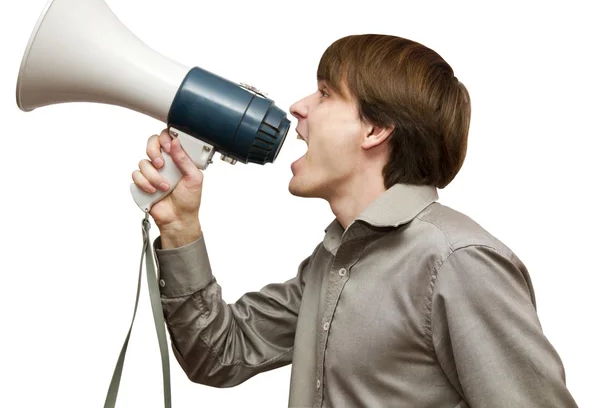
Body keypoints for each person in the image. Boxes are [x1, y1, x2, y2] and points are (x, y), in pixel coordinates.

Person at [132, 34, 578, 407]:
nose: (298, 107)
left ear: (375, 129)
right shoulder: (333, 264)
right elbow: (219, 355)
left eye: (325, 93)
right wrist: (179, 227)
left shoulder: (457, 262)